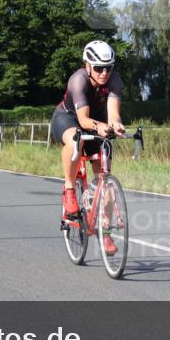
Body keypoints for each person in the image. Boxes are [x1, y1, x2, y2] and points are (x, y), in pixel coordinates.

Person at [50, 40, 125, 255]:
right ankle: (70, 189)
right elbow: (83, 120)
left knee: (106, 180)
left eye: (108, 68)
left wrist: (116, 125)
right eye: (99, 67)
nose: (104, 73)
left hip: (97, 120)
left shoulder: (115, 80)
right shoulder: (78, 80)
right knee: (76, 138)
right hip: (68, 118)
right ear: (88, 65)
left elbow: (113, 114)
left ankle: (105, 231)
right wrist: (100, 126)